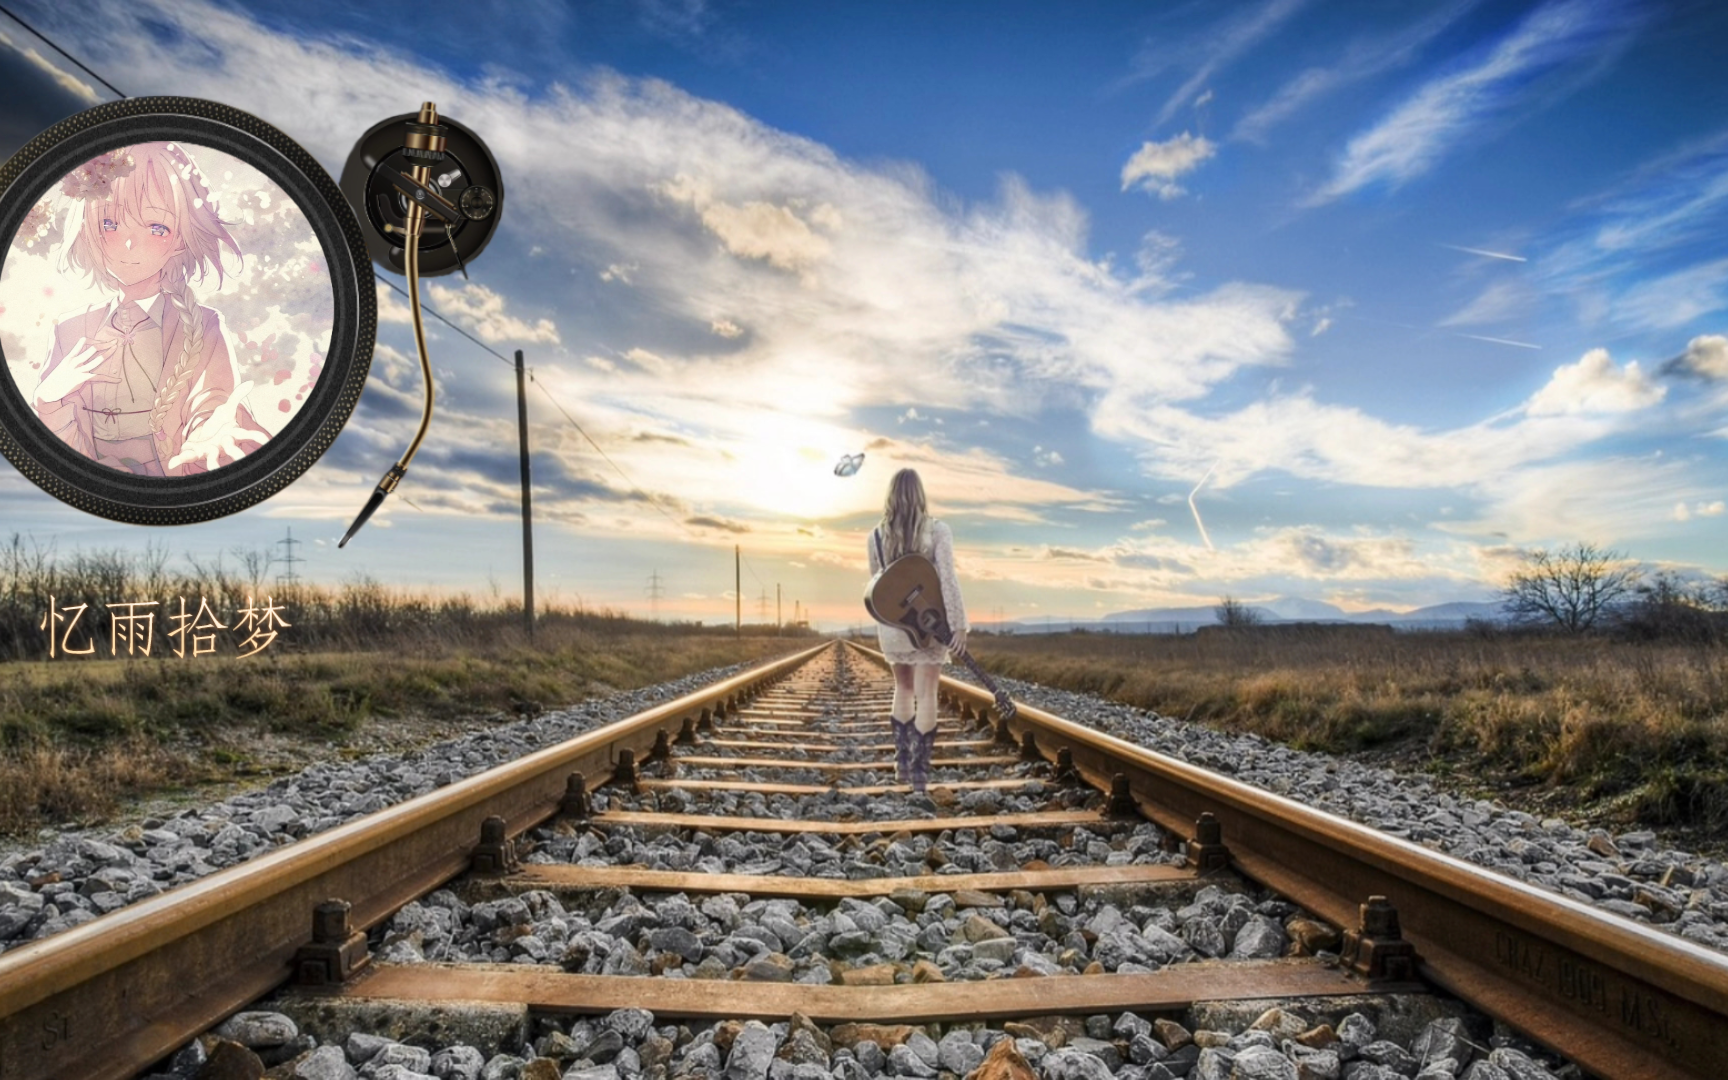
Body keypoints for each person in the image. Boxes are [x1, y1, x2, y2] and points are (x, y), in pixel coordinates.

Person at [31, 142, 267, 476]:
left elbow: (212, 401)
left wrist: (213, 432)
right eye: (110, 223)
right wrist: (48, 401)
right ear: (87, 227)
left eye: (157, 228)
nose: (129, 244)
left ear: (181, 239)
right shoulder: (69, 330)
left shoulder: (203, 325)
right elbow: (60, 456)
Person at [866, 467, 968, 794]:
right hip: (930, 623)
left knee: (903, 688)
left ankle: (902, 765)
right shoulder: (938, 530)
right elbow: (947, 580)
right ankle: (920, 774)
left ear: (891, 496)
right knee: (927, 693)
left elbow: (879, 586)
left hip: (894, 625)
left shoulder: (876, 536)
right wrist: (958, 625)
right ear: (920, 494)